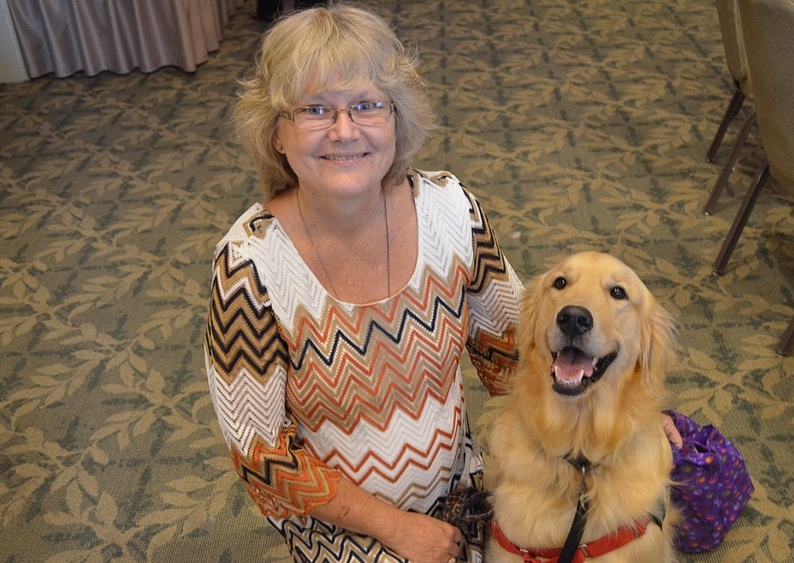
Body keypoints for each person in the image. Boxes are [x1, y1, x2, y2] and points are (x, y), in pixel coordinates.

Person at [204, 4, 682, 562]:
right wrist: (395, 528)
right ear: (277, 133)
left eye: (367, 105)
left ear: (396, 118)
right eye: (315, 109)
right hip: (345, 523)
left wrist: (629, 411)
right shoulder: (247, 266)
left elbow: (524, 350)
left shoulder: (450, 211)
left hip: (461, 490)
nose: (344, 130)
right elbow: (262, 455)